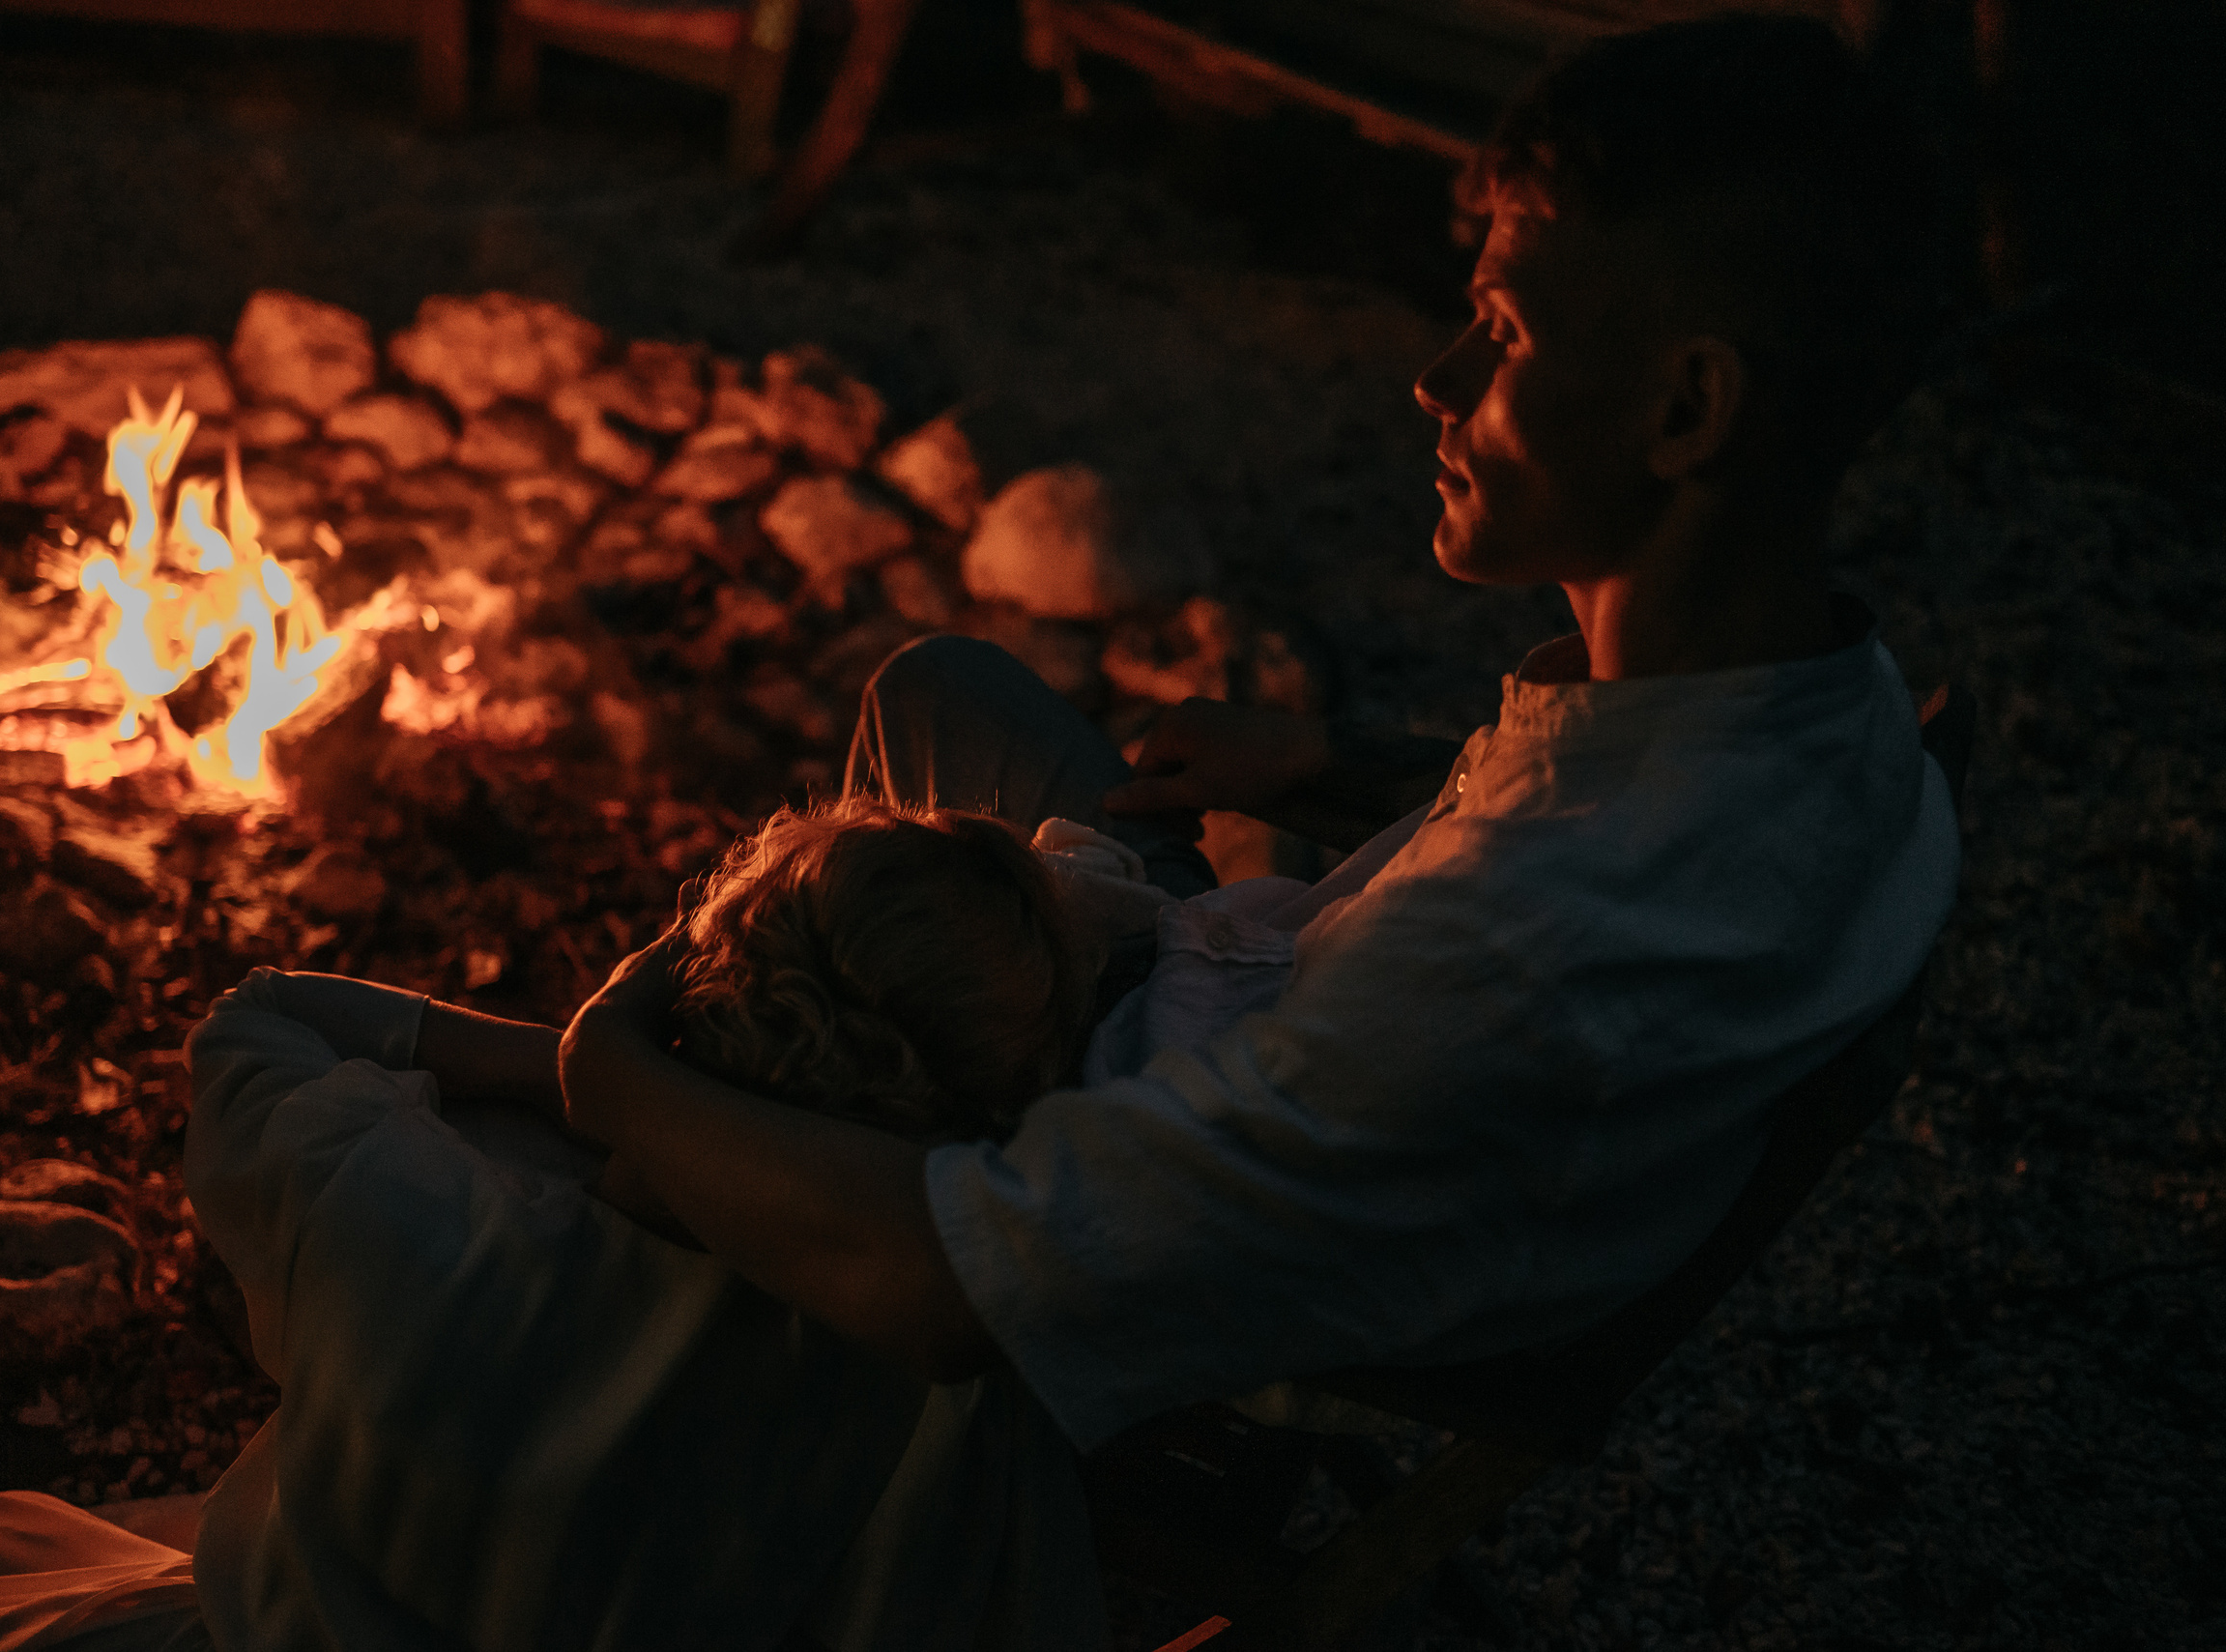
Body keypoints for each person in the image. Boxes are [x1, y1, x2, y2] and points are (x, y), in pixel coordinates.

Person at [554, 6, 1963, 1472]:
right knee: (943, 698)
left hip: (1156, 1103)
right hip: (1251, 980)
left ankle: (791, 1360)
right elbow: (1590, 828)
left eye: (1503, 328)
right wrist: (1324, 765)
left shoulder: (1499, 968)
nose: (1436, 378)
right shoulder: (1826, 707)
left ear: (1687, 408)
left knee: (701, 1064)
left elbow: (951, 1288)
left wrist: (613, 1068)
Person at [0, 798, 1109, 1652]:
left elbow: (258, 1019)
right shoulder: (922, 1381)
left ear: (698, 986)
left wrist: (601, 1070)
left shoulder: (416, 1221)